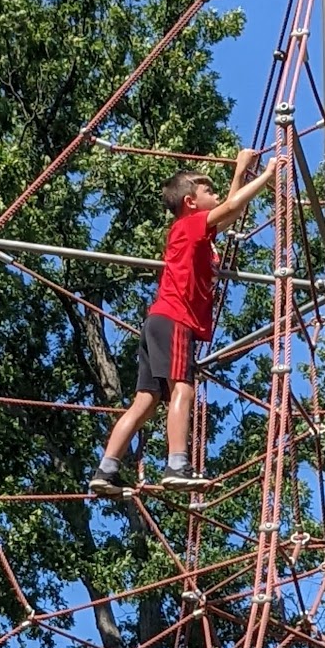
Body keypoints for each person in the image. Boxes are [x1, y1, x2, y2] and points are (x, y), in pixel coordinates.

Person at [88, 150, 276, 497]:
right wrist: (267, 176)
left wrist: (240, 172)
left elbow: (226, 214)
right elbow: (232, 209)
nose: (216, 195)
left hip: (158, 320)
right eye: (209, 191)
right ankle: (177, 464)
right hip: (175, 320)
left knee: (145, 401)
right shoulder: (189, 226)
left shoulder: (192, 231)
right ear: (191, 202)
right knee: (183, 388)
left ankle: (106, 469)